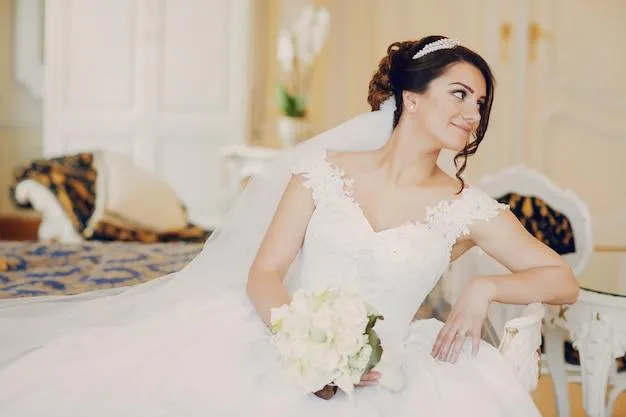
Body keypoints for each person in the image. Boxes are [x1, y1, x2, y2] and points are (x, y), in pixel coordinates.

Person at [0, 35, 578, 416]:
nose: (473, 113)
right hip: (281, 342)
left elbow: (561, 280)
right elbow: (266, 273)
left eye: (481, 104)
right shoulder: (322, 172)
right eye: (460, 94)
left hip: (390, 374)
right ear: (412, 97)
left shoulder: (467, 208)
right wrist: (305, 350)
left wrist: (485, 288)